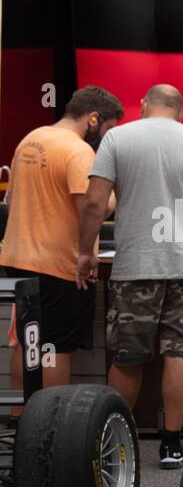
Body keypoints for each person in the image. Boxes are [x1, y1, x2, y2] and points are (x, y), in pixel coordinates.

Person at [76, 84, 183, 468]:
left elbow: (96, 202)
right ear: (182, 112)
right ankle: (171, 444)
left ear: (144, 105)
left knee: (129, 355)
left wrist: (84, 251)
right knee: (181, 353)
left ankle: (118, 441)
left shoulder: (118, 138)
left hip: (136, 268)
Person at [2, 86, 123, 409]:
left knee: (26, 340)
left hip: (19, 259)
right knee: (55, 346)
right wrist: (112, 196)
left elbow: (11, 201)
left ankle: (19, 419)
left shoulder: (30, 139)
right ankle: (49, 424)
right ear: (93, 118)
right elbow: (92, 205)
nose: (106, 136)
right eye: (108, 128)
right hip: (59, 264)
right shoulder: (78, 151)